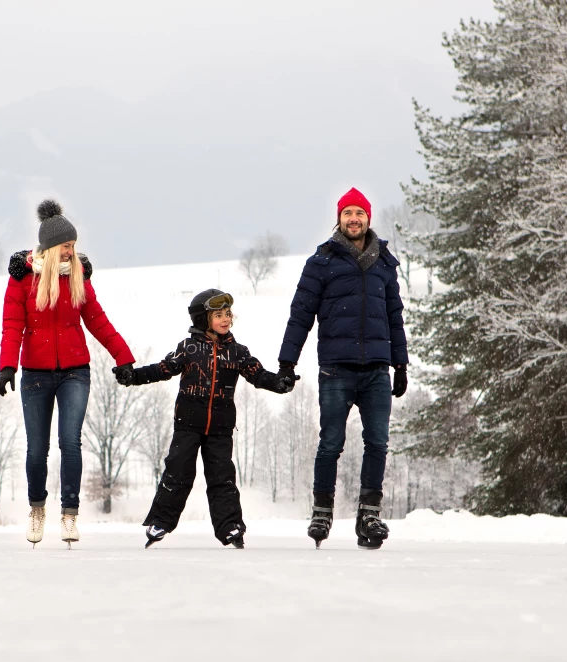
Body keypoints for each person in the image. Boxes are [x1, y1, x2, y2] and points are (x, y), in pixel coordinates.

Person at [275, 187, 409, 549]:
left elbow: (394, 317)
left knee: (377, 442)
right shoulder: (322, 262)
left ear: (368, 218)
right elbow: (300, 315)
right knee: (330, 443)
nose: (354, 219)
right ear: (339, 218)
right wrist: (287, 361)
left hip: (377, 370)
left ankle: (369, 514)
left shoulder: (384, 263)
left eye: (359, 213)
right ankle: (322, 509)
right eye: (347, 213)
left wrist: (401, 363)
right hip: (336, 369)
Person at [0, 199, 135, 547]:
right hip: (35, 375)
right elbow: (12, 325)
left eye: (73, 246)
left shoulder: (78, 277)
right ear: (50, 246)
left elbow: (98, 321)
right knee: (36, 449)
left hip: (75, 371)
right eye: (65, 246)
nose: (70, 252)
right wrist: (6, 367)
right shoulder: (23, 279)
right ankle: (37, 509)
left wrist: (123, 358)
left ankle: (70, 515)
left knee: (70, 443)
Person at [115, 289, 293, 548]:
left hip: (220, 428)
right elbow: (163, 369)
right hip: (187, 424)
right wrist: (134, 376)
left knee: (222, 477)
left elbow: (258, 375)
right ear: (202, 319)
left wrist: (279, 382)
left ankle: (230, 527)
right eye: (218, 315)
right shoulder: (188, 348)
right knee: (178, 472)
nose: (226, 319)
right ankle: (161, 522)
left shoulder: (238, 352)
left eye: (228, 314)